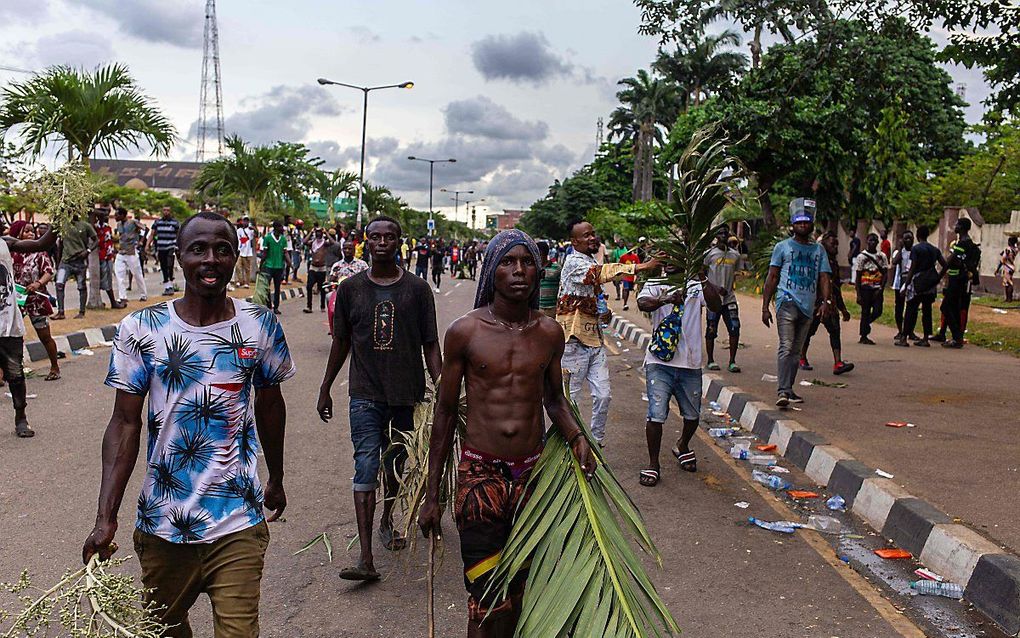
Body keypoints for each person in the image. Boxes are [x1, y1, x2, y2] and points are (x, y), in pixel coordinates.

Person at [83, 212, 294, 637]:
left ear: (236, 257)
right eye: (198, 249)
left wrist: (277, 476)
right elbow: (125, 423)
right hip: (163, 523)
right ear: (178, 256)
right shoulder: (141, 329)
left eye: (222, 249)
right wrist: (105, 516)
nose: (210, 259)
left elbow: (271, 405)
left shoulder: (259, 324)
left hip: (236, 518)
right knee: (165, 630)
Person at [418, 229, 595, 637]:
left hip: (533, 478)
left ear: (538, 271)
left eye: (527, 262)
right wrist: (432, 497)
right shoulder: (466, 332)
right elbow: (444, 414)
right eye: (508, 262)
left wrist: (577, 438)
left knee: (521, 587)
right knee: (484, 594)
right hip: (481, 478)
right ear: (491, 272)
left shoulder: (549, 333)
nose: (519, 271)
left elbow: (554, 400)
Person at [317, 215, 442, 582]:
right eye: (375, 237)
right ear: (365, 242)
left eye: (390, 237)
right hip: (365, 394)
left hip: (406, 394)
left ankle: (387, 518)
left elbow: (430, 344)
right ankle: (366, 557)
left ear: (400, 242)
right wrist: (325, 387)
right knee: (366, 463)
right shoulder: (351, 289)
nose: (382, 242)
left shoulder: (417, 290)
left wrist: (446, 389)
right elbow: (340, 342)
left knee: (395, 464)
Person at [557, 220, 658, 445]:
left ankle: (595, 443)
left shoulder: (589, 260)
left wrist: (605, 313)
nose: (593, 238)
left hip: (595, 341)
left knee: (603, 396)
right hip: (573, 343)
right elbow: (599, 273)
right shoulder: (574, 262)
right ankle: (568, 444)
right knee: (570, 400)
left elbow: (593, 294)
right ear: (574, 242)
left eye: (593, 234)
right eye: (586, 235)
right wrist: (642, 266)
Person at [638, 262, 721, 485]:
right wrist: (666, 299)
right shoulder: (656, 283)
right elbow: (643, 303)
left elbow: (715, 305)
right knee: (656, 414)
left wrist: (702, 276)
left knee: (692, 415)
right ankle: (653, 463)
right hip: (659, 362)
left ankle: (682, 444)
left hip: (690, 363)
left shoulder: (696, 286)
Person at [761, 198, 833, 407]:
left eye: (806, 222)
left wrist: (825, 301)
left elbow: (824, 277)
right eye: (799, 222)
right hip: (787, 301)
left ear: (811, 225)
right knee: (786, 345)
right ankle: (782, 391)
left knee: (796, 350)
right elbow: (772, 276)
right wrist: (765, 306)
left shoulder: (818, 251)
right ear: (793, 225)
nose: (803, 225)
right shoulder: (782, 247)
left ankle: (789, 389)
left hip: (808, 305)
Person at [10, 221, 61, 381]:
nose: (31, 234)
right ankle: (8, 372)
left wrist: (38, 283)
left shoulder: (39, 252)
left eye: (32, 231)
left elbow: (48, 272)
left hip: (36, 300)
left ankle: (55, 367)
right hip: (16, 301)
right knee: (11, 337)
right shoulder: (9, 252)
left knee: (45, 336)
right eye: (26, 232)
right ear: (17, 234)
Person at [799, 231, 855, 375]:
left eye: (837, 244)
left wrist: (842, 309)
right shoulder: (815, 261)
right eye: (832, 244)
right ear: (823, 245)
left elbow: (836, 287)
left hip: (830, 303)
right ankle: (801, 357)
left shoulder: (834, 264)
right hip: (816, 303)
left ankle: (838, 362)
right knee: (809, 331)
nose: (836, 247)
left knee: (835, 331)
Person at [933, 217, 981, 348]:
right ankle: (952, 336)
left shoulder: (962, 244)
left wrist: (938, 277)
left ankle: (956, 337)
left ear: (962, 227)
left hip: (957, 280)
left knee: (946, 307)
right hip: (960, 279)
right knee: (953, 308)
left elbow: (950, 261)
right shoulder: (968, 244)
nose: (955, 226)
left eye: (957, 224)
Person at [897, 225, 945, 347]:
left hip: (917, 283)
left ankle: (904, 337)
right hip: (930, 284)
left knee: (911, 310)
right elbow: (945, 265)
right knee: (927, 310)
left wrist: (906, 285)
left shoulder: (916, 249)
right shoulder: (934, 249)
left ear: (917, 236)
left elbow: (912, 269)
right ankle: (925, 338)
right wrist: (938, 278)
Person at [703, 229, 742, 373]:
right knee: (711, 329)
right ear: (716, 236)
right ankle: (710, 360)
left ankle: (732, 361)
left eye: (726, 233)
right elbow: (702, 275)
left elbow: (736, 273)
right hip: (713, 299)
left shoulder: (735, 255)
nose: (723, 236)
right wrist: (714, 288)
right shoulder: (709, 255)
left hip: (729, 298)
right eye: (720, 233)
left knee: (735, 328)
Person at [52, 213, 97, 320]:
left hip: (80, 261)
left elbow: (96, 240)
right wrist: (58, 263)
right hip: (66, 261)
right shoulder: (64, 225)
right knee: (59, 284)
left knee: (81, 286)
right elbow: (60, 245)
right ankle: (61, 312)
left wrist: (88, 250)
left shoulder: (85, 226)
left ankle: (82, 311)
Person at [852, 232, 888, 345]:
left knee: (878, 311)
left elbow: (885, 273)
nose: (872, 242)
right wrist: (858, 293)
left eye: (874, 240)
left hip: (877, 288)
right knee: (865, 311)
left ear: (877, 243)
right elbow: (858, 276)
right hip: (865, 288)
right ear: (866, 242)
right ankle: (864, 335)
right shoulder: (861, 257)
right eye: (870, 240)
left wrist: (881, 289)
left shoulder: (882, 256)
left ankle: (865, 325)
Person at [113, 207, 148, 303]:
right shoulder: (119, 224)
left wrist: (141, 241)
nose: (115, 217)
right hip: (121, 252)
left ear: (122, 215)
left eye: (117, 215)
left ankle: (143, 295)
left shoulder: (133, 222)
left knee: (137, 274)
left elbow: (146, 229)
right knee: (119, 274)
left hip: (131, 252)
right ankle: (122, 296)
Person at [94, 208, 127, 309]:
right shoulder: (95, 228)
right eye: (104, 215)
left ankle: (111, 302)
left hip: (108, 256)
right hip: (100, 257)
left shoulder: (107, 227)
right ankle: (111, 302)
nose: (107, 217)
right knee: (103, 280)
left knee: (108, 279)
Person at [260, 220, 291, 315]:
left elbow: (285, 252)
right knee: (267, 287)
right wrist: (261, 265)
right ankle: (269, 304)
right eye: (281, 227)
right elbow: (264, 253)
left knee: (278, 287)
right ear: (276, 228)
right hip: (268, 266)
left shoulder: (283, 239)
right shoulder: (268, 238)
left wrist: (289, 262)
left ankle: (276, 307)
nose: (283, 229)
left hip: (279, 267)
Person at [148, 206, 181, 296]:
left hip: (171, 246)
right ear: (162, 211)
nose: (166, 212)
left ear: (170, 212)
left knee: (170, 264)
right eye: (164, 210)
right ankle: (167, 286)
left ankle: (170, 283)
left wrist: (179, 246)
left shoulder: (175, 223)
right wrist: (147, 245)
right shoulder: (157, 222)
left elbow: (179, 235)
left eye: (168, 210)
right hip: (161, 247)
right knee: (163, 266)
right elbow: (152, 234)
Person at [303, 227, 335, 314]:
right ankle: (309, 306)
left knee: (322, 288)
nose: (318, 234)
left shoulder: (324, 243)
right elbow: (304, 242)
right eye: (317, 232)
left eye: (320, 232)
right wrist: (311, 232)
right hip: (313, 267)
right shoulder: (312, 243)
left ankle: (322, 306)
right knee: (309, 286)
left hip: (322, 268)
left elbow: (333, 242)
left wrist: (326, 233)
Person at [891, 230, 915, 340]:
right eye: (906, 238)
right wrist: (901, 249)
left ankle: (910, 331)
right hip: (900, 282)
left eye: (910, 238)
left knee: (912, 308)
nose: (908, 240)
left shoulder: (916, 251)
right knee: (899, 307)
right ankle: (900, 330)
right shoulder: (899, 252)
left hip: (913, 283)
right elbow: (895, 262)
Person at [536, 240, 561, 318]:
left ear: (545, 254)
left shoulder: (556, 268)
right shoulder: (533, 268)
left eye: (539, 254)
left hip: (552, 309)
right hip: (537, 308)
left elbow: (562, 287)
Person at [234, 215, 257, 288]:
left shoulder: (251, 231)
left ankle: (247, 283)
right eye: (244, 220)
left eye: (247, 221)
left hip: (248, 252)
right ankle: (239, 281)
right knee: (238, 266)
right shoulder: (239, 231)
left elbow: (256, 235)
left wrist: (254, 228)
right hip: (240, 251)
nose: (245, 222)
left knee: (247, 269)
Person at [620, 245, 640, 310]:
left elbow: (638, 266)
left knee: (629, 289)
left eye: (631, 247)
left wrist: (637, 276)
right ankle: (625, 304)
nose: (630, 249)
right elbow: (620, 266)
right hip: (625, 276)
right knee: (626, 289)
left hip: (632, 277)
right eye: (629, 247)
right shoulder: (623, 257)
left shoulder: (635, 257)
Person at [1000, 236, 1018, 302]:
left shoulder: (1007, 249)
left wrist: (997, 269)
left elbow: (1003, 259)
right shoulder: (1015, 250)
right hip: (1012, 267)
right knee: (1007, 282)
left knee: (1008, 283)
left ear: (1010, 242)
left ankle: (1009, 298)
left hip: (1007, 267)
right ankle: (1008, 298)